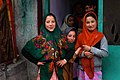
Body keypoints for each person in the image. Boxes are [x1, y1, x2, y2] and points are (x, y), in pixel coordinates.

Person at [22, 13, 69, 80]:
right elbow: (24, 51)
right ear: (44, 24)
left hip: (59, 71)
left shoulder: (61, 37)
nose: (50, 24)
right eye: (47, 22)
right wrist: (36, 62)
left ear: (56, 23)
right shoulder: (40, 39)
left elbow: (71, 49)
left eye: (53, 21)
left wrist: (65, 60)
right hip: (45, 71)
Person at [75, 12, 108, 80]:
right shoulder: (81, 36)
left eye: (92, 21)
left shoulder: (101, 37)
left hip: (96, 71)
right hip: (82, 70)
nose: (90, 25)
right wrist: (84, 54)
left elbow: (105, 53)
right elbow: (76, 52)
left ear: (96, 22)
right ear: (84, 23)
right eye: (87, 22)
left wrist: (91, 49)